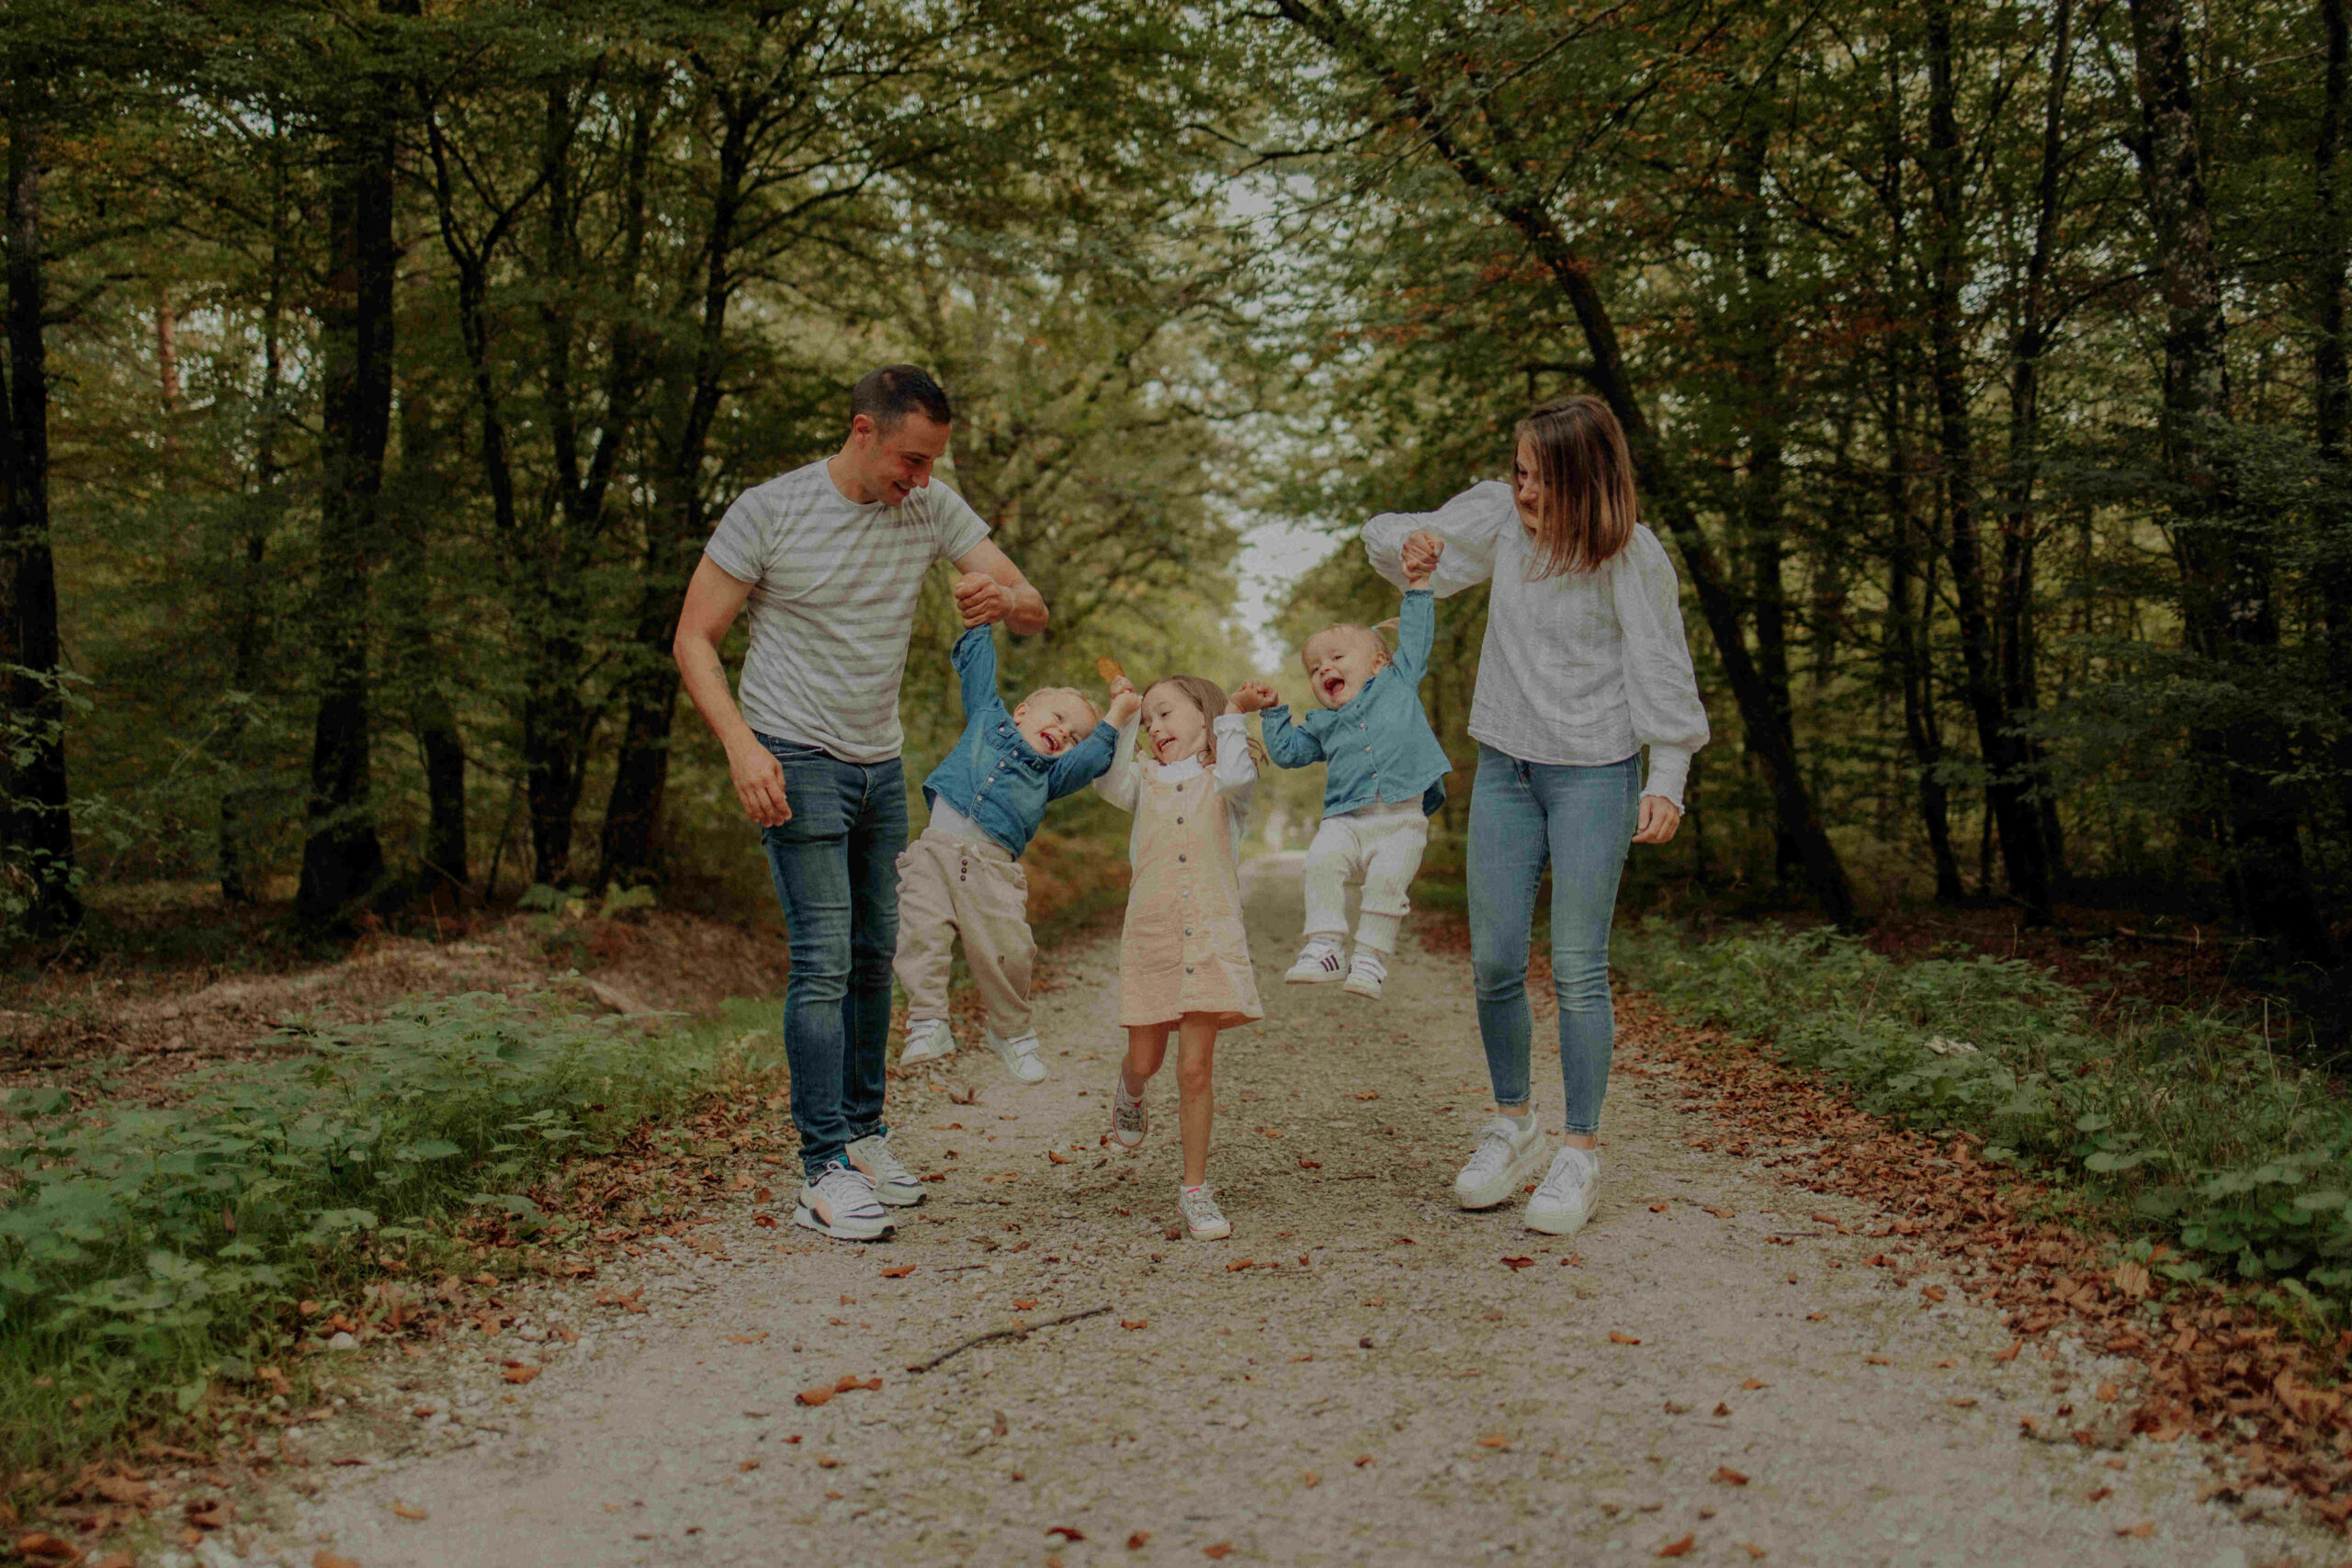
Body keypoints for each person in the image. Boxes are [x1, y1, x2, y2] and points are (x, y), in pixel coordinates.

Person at [673, 365, 1049, 1243]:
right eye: (910, 461)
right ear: (863, 431)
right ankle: (823, 1169)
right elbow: (694, 637)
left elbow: (1029, 606)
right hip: (791, 753)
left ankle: (867, 1132)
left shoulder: (930, 504)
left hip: (880, 762)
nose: (920, 481)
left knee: (878, 953)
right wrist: (741, 745)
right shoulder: (769, 511)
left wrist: (1007, 598)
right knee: (825, 955)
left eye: (931, 466)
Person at [1363, 394, 1709, 1238]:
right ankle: (1513, 1125)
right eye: (1518, 472)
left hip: (1597, 771)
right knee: (1494, 959)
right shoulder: (1502, 521)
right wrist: (1406, 545)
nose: (1522, 491)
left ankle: (1579, 1149)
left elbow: (1661, 662)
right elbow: (1401, 539)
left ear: (1584, 480)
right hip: (1507, 764)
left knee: (1579, 965)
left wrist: (1668, 773)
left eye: (1538, 478)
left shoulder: (1631, 555)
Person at [893, 625, 1125, 1084]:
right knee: (919, 936)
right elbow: (978, 668)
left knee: (1012, 953)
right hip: (933, 854)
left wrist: (1119, 711)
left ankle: (1012, 1033)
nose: (1063, 733)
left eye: (1074, 735)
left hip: (992, 872)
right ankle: (927, 1023)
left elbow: (1095, 757)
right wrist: (981, 617)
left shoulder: (1049, 777)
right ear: (1021, 713)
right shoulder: (987, 719)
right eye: (1057, 718)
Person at [1094, 673, 1275, 1240]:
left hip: (1210, 935)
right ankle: (1131, 1086)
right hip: (1153, 934)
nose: (1157, 728)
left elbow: (1240, 769)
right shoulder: (1143, 779)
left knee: (1195, 1069)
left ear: (1204, 714)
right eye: (1150, 722)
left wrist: (1237, 713)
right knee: (1147, 1060)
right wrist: (1123, 715)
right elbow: (1107, 782)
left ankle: (1195, 1188)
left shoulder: (1226, 782)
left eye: (1166, 714)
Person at [1261, 549, 1453, 999]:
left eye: (1337, 657)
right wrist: (1272, 713)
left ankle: (1370, 958)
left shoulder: (1398, 682)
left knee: (1386, 884)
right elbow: (1287, 753)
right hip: (1345, 818)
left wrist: (1420, 584)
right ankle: (1326, 947)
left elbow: (1418, 638)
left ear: (1378, 663)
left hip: (1403, 816)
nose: (1324, 668)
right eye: (1314, 668)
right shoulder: (1323, 723)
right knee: (1320, 862)